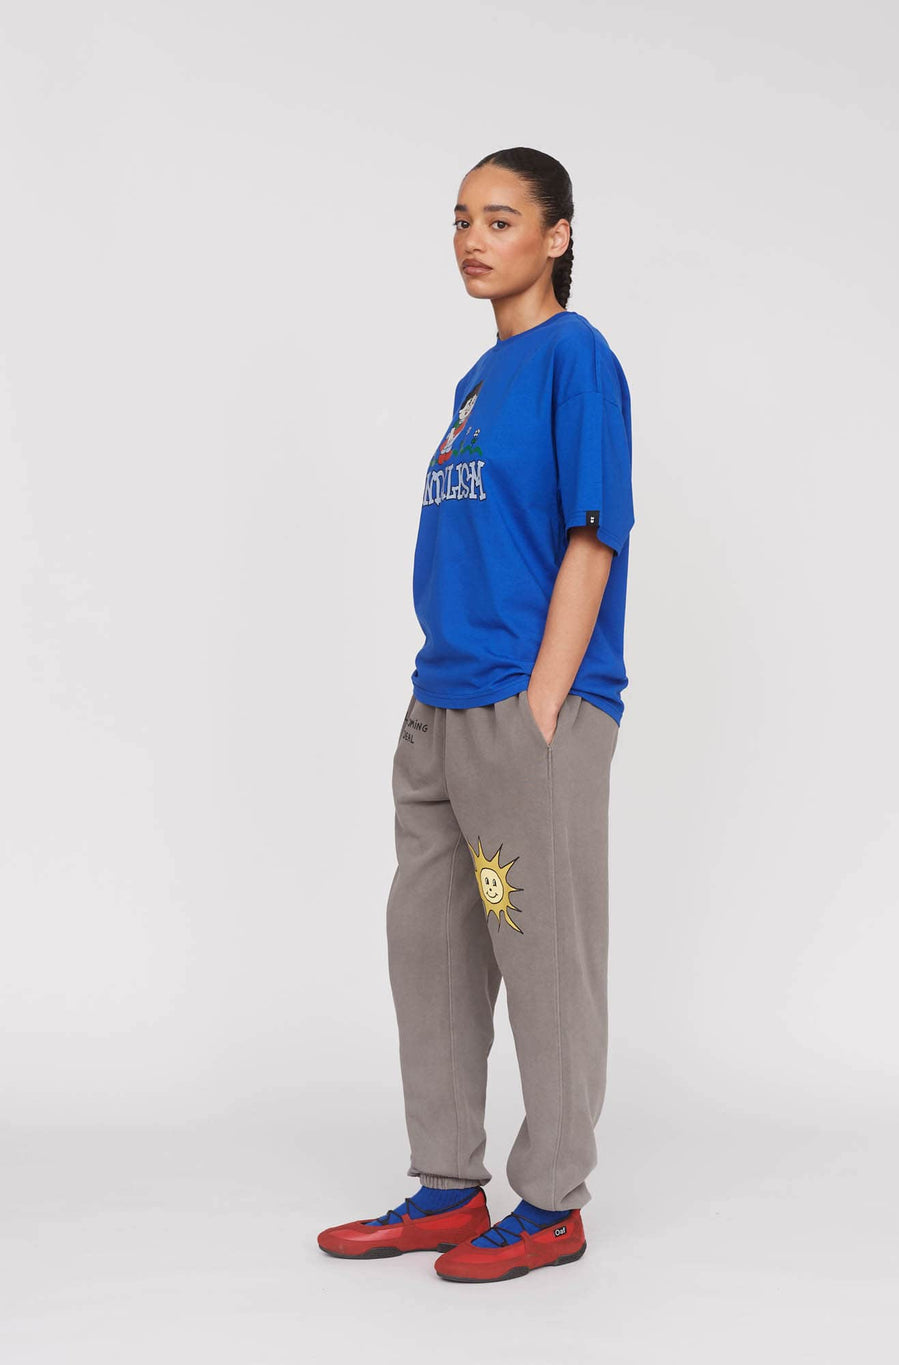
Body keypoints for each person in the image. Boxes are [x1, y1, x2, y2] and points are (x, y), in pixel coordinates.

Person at [317, 147, 635, 1284]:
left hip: (523, 709)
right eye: (461, 219)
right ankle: (447, 1185)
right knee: (433, 954)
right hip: (441, 707)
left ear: (556, 236)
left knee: (541, 955)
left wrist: (541, 705)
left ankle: (552, 1204)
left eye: (501, 219)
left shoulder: (573, 358)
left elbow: (595, 535)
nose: (473, 239)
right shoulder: (477, 380)